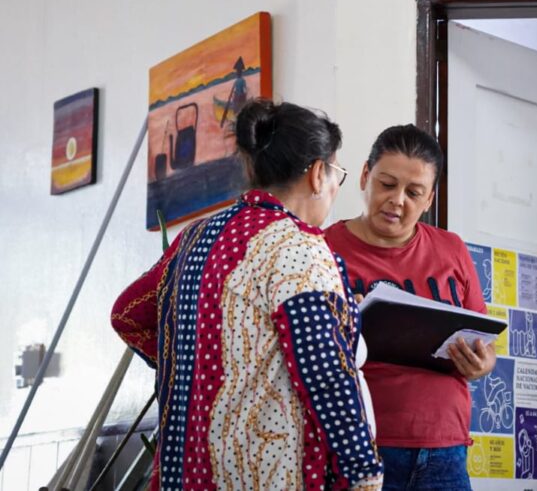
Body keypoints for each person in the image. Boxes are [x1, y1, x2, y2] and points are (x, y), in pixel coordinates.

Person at [111, 100, 382, 490]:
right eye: (337, 172)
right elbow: (325, 373)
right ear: (319, 174)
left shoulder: (195, 237)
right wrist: (363, 473)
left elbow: (128, 314)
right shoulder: (300, 247)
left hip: (182, 474)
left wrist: (200, 368)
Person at [325, 124, 495, 491]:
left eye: (413, 192)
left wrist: (482, 363)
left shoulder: (452, 249)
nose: (397, 200)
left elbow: (485, 344)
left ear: (430, 199)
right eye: (387, 184)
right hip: (361, 443)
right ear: (365, 176)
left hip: (445, 445)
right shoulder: (323, 250)